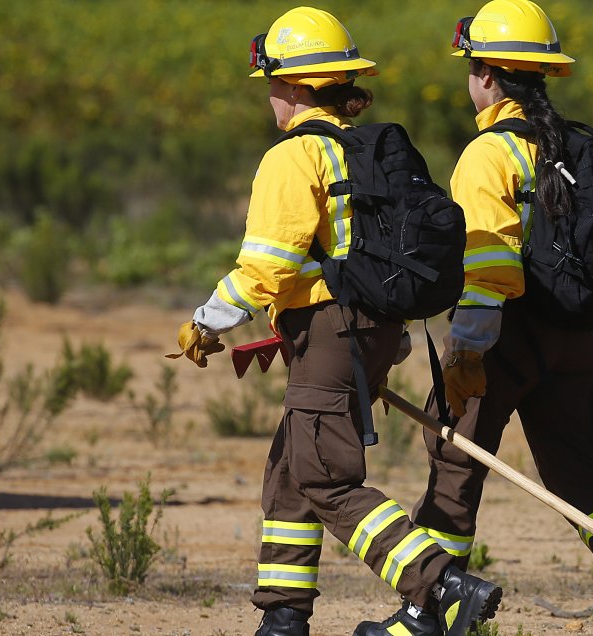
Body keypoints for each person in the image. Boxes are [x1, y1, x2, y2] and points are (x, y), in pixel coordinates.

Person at [355, 1, 593, 635]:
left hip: (502, 341)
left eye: (471, 70)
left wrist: (464, 353)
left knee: (456, 470)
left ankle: (428, 618)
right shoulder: (578, 144)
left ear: (488, 75)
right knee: (583, 479)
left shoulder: (490, 154)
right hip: (575, 341)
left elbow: (489, 270)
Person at [171, 7, 501, 636]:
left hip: (330, 332)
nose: (268, 95)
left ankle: (441, 585)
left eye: (272, 82)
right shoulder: (361, 151)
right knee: (293, 473)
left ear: (295, 86)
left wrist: (208, 321)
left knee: (326, 474)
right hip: (366, 331)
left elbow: (268, 265)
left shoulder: (293, 158)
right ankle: (284, 618)